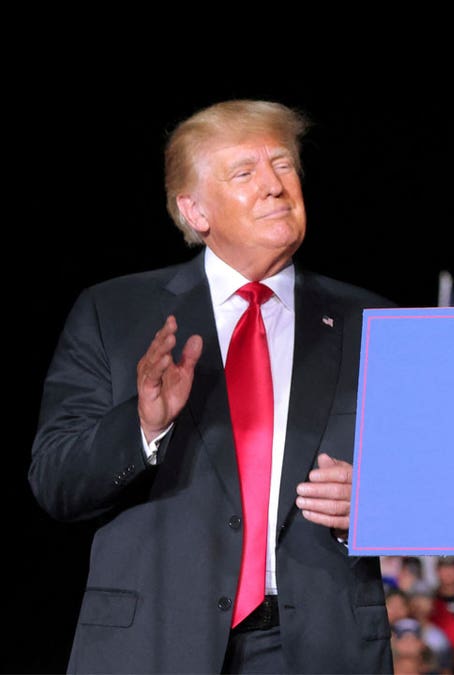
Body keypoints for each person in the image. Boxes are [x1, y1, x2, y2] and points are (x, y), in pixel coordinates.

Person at [28, 99, 394, 673]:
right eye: (245, 173)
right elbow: (55, 482)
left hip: (319, 646)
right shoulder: (113, 312)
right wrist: (144, 426)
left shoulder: (374, 323)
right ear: (194, 210)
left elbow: (436, 484)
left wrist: (379, 503)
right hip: (152, 641)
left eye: (283, 165)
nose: (275, 187)